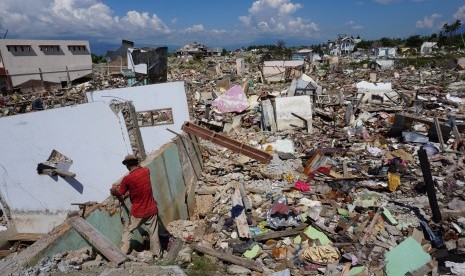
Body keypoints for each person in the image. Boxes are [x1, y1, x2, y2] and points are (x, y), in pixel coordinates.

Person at [110, 154, 161, 256]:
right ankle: (157, 255)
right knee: (154, 233)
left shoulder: (127, 179)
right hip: (152, 209)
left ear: (127, 166)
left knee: (128, 230)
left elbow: (120, 193)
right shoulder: (146, 171)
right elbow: (140, 169)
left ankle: (122, 253)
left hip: (138, 212)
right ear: (137, 163)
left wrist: (113, 190)